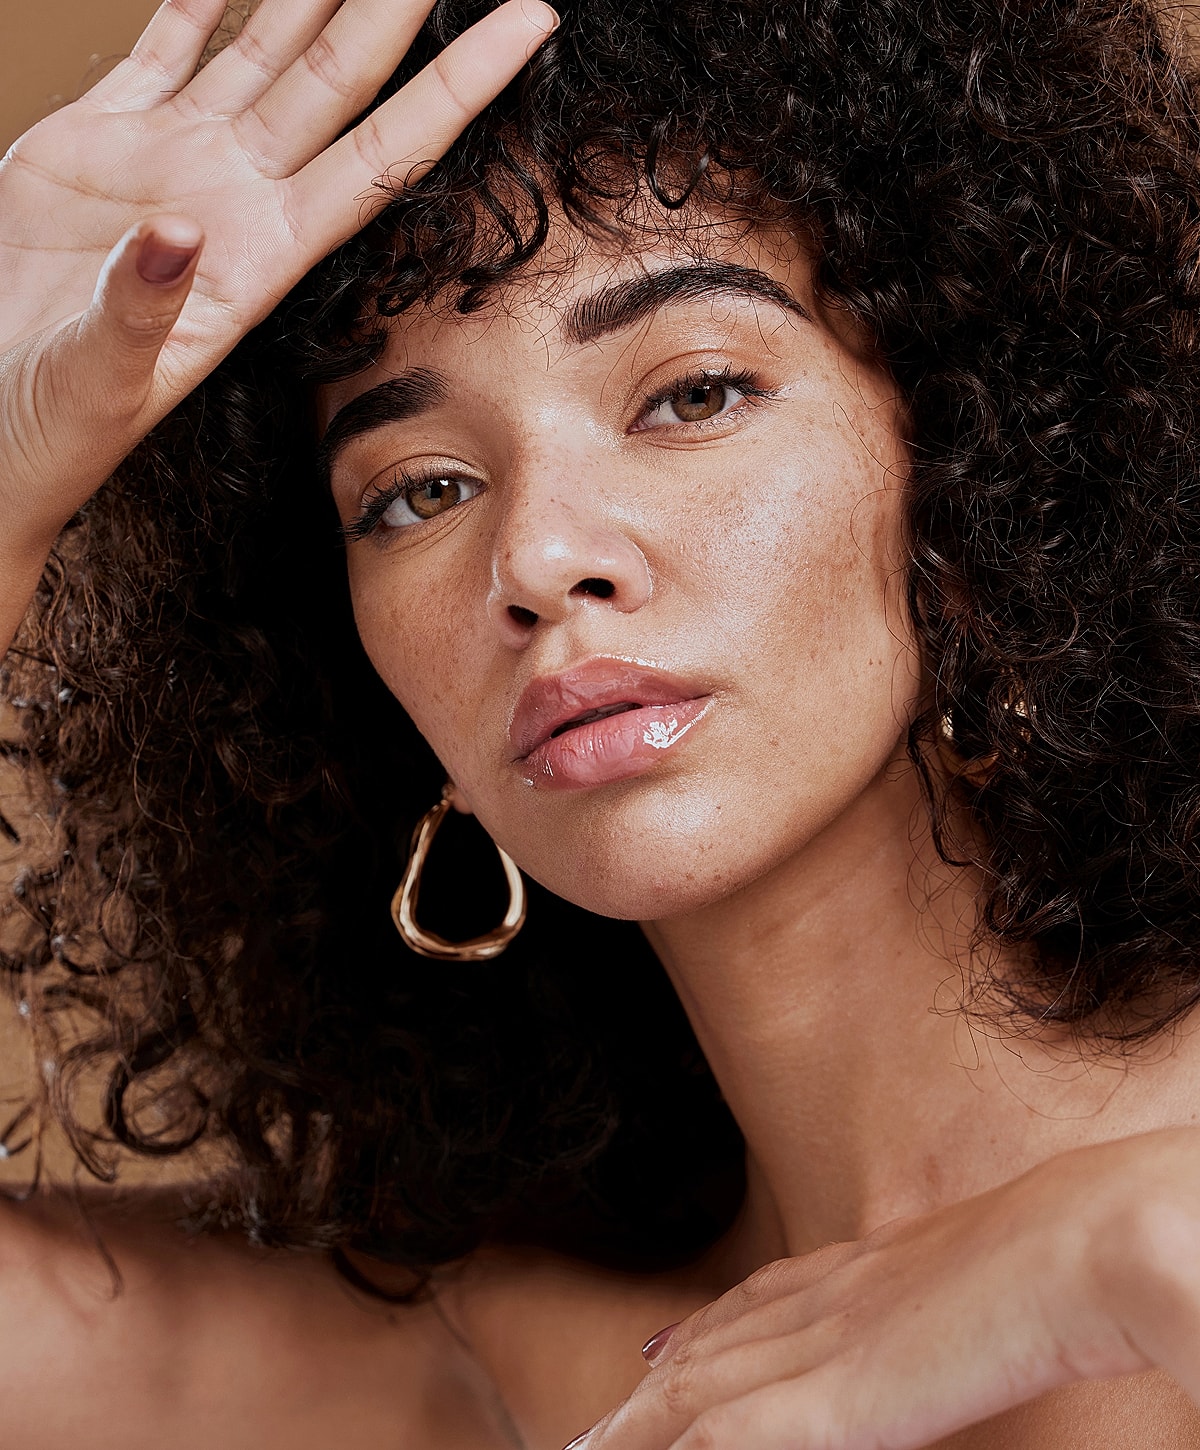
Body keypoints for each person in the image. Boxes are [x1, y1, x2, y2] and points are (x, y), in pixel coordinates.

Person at [5, 0, 1200, 1445]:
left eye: (693, 395)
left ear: (975, 473)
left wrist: (1123, 1247)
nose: (535, 558)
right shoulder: (491, 1366)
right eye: (420, 491)